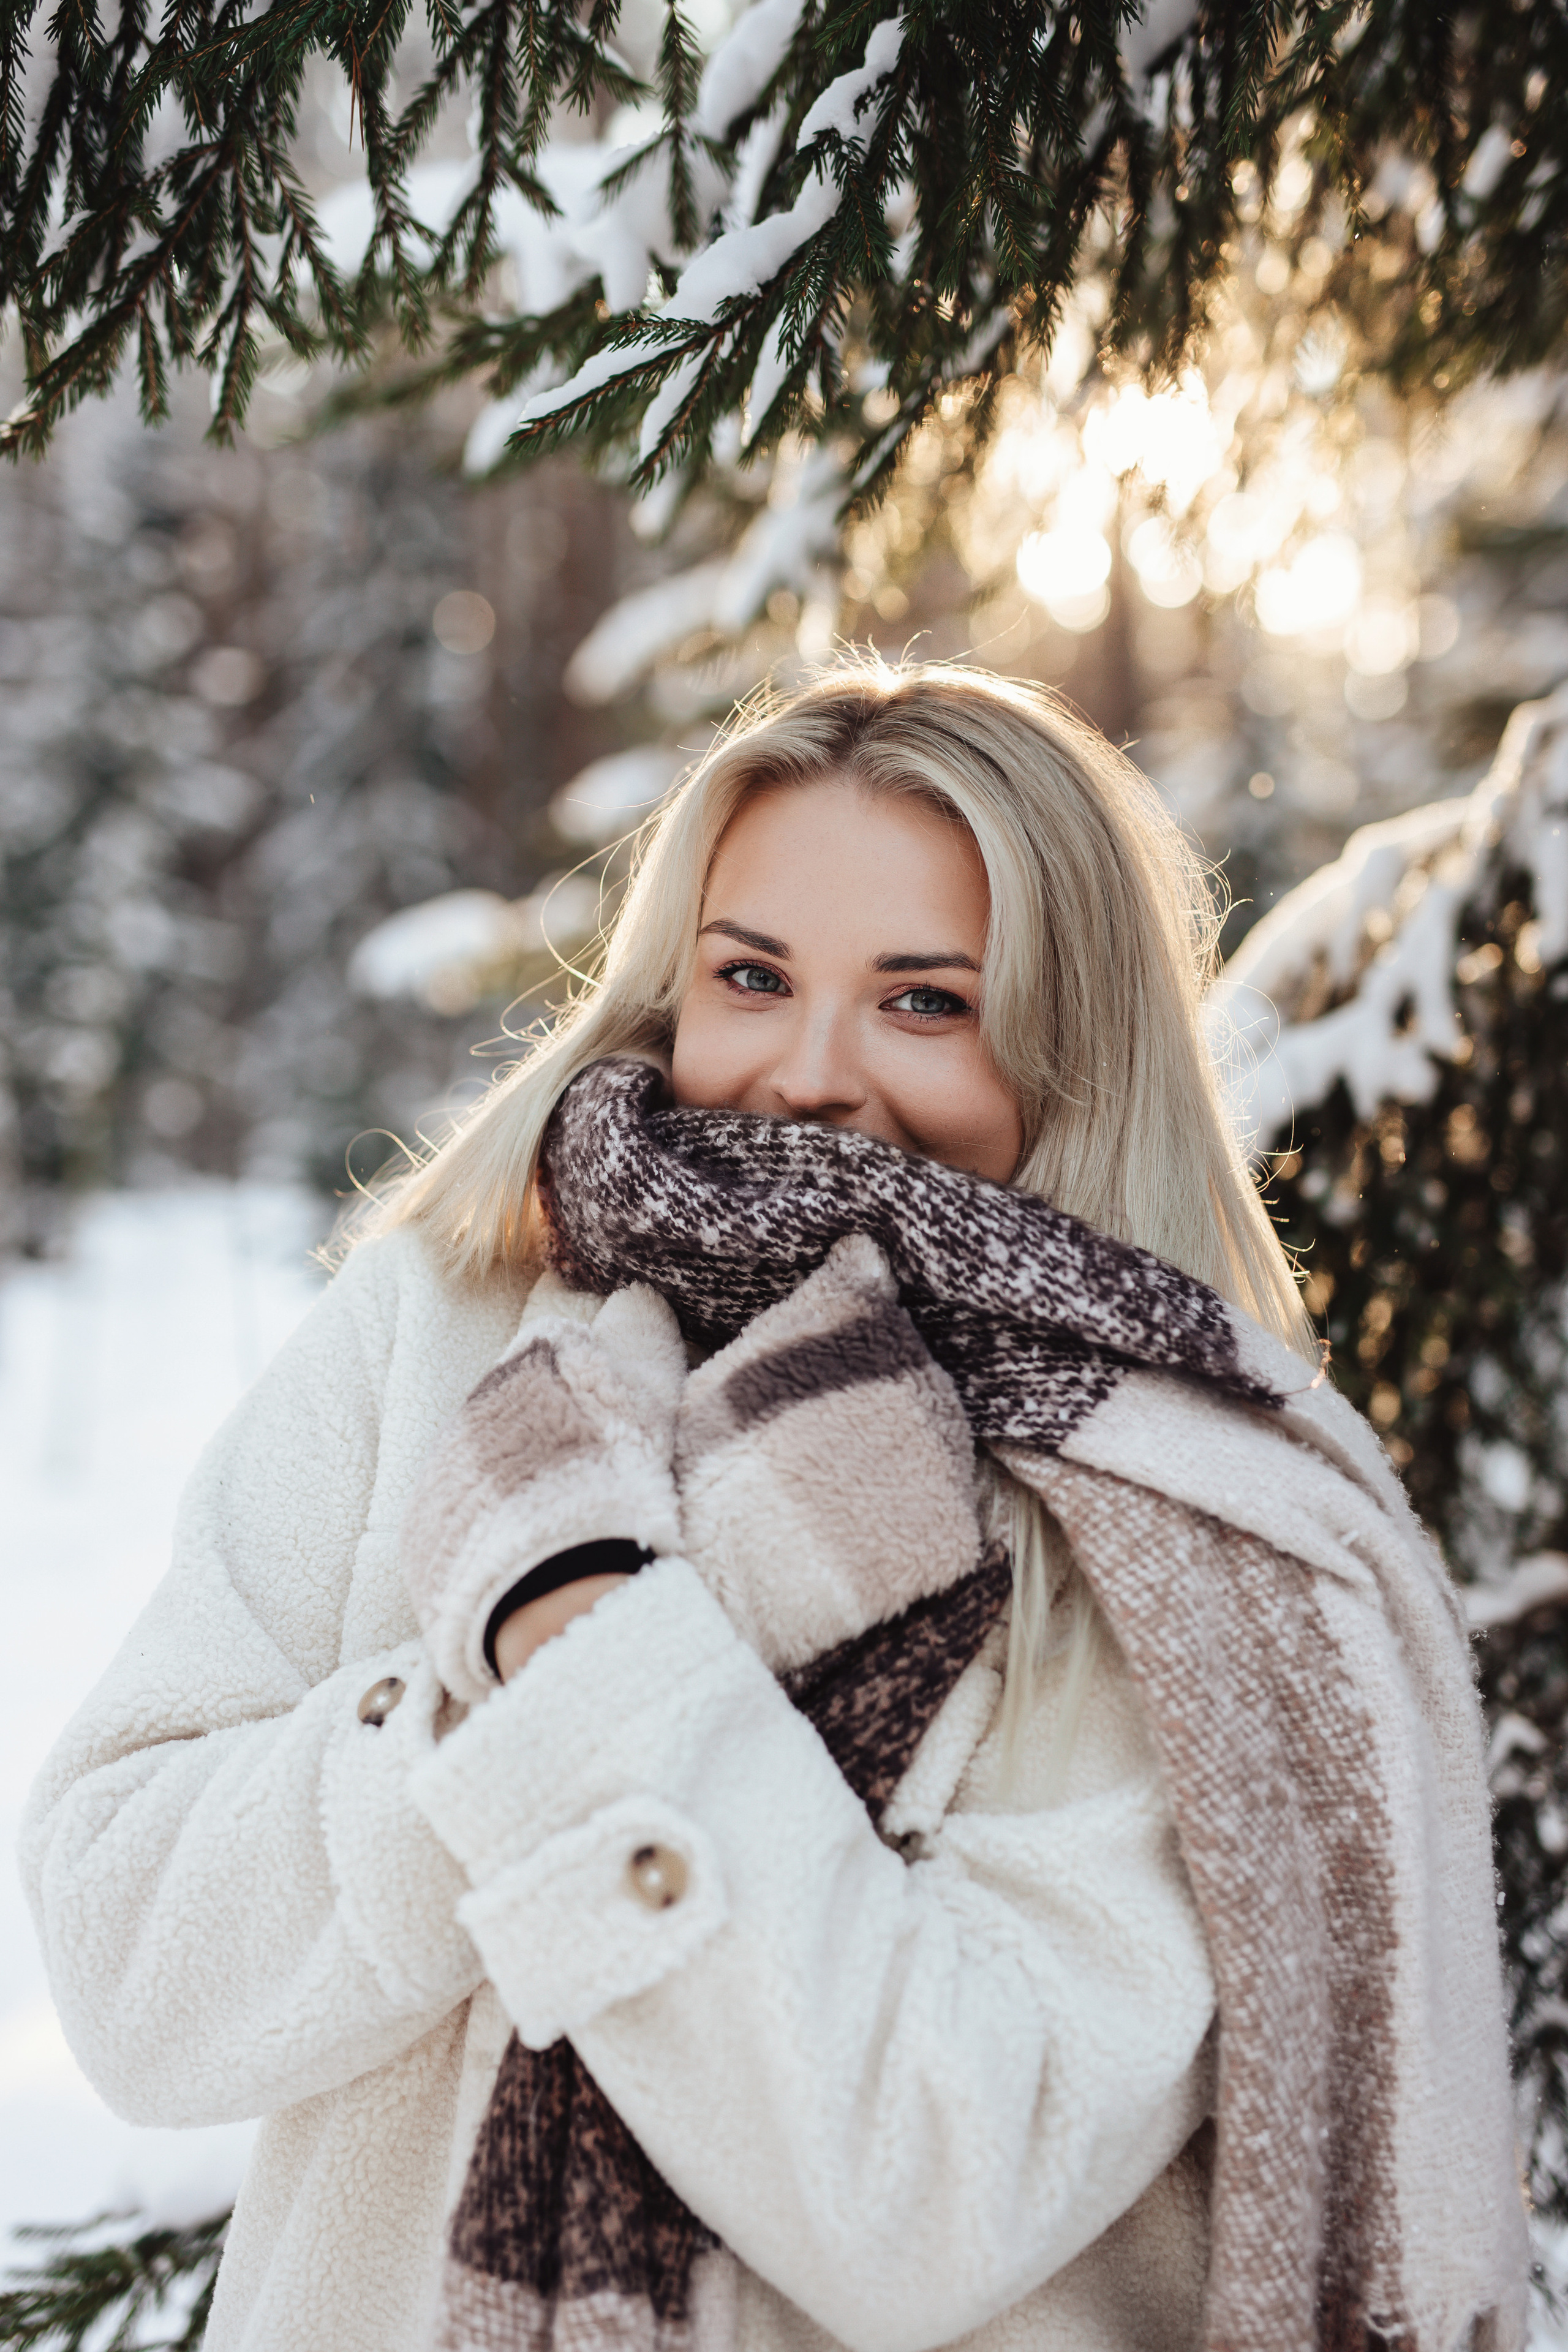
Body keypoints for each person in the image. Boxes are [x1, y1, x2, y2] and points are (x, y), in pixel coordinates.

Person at [22, 663, 1526, 2352]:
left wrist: (597, 1646)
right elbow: (136, 1974)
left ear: (1077, 1045)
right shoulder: (438, 1339)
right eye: (754, 977)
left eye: (926, 1002)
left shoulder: (1189, 1535)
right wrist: (546, 1649)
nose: (811, 1075)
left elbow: (927, 2193)